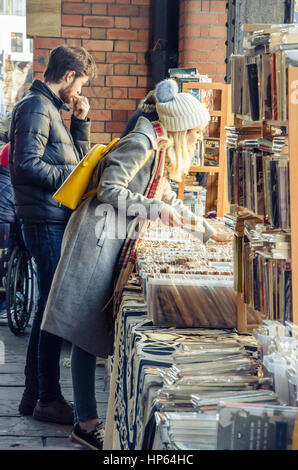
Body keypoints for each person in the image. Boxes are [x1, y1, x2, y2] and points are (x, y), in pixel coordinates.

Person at [40, 78, 232, 450]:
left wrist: (206, 232)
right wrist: (155, 209)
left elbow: (166, 198)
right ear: (179, 130)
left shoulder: (157, 143)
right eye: (194, 135)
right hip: (96, 238)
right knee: (84, 331)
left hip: (110, 236)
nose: (197, 142)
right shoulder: (143, 141)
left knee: (87, 330)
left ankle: (86, 418)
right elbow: (112, 190)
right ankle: (86, 422)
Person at [9, 45, 97, 425]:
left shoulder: (52, 110)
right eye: (79, 84)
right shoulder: (35, 107)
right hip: (43, 220)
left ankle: (33, 394)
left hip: (49, 217)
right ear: (67, 77)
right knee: (50, 313)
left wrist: (80, 122)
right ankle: (48, 397)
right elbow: (25, 165)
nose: (79, 92)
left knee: (47, 306)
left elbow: (76, 160)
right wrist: (70, 180)